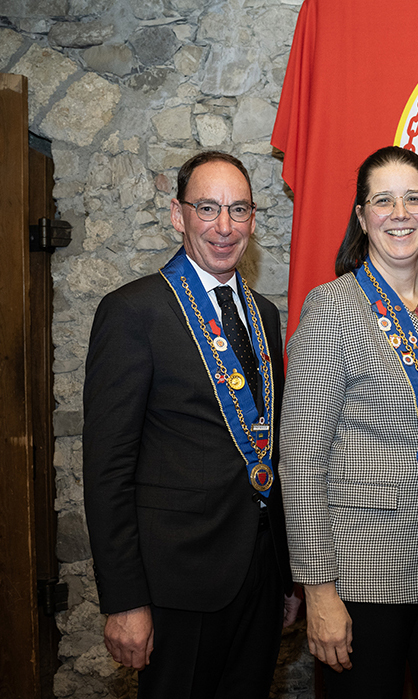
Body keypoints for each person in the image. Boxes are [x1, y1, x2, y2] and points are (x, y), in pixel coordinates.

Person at [83, 151, 297, 698]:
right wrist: (124, 600)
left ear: (252, 219)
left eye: (239, 209)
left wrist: (287, 576)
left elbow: (265, 445)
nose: (224, 227)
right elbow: (107, 471)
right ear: (179, 216)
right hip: (175, 586)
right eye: (208, 208)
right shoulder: (133, 312)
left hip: (258, 577)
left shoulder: (264, 315)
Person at [279, 146, 418, 696]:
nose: (400, 212)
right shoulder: (333, 306)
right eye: (383, 200)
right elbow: (301, 456)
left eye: (413, 198)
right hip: (365, 568)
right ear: (362, 217)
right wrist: (318, 588)